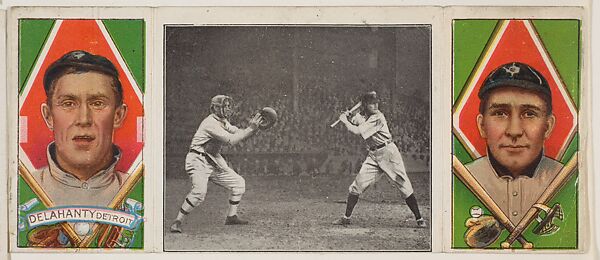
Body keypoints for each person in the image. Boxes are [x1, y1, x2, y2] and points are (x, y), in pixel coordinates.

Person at [465, 62, 563, 224]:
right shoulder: (463, 180)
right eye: (500, 113)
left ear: (547, 126)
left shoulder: (567, 180)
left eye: (529, 114)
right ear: (482, 126)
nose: (514, 131)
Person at [35, 50, 129, 207]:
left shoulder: (138, 189)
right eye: (68, 103)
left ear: (118, 116)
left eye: (97, 103)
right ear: (49, 116)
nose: (84, 119)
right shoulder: (25, 187)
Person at [170, 95, 263, 233]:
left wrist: (254, 128)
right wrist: (250, 129)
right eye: (223, 106)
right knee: (199, 193)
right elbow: (231, 140)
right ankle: (177, 222)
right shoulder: (210, 123)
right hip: (198, 159)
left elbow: (237, 131)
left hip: (212, 159)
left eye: (227, 106)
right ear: (214, 108)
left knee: (239, 183)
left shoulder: (222, 121)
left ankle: (231, 216)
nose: (227, 109)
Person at [332, 91, 426, 227]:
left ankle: (419, 219)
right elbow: (356, 120)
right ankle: (346, 218)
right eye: (371, 103)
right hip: (373, 155)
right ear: (365, 105)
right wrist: (348, 115)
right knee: (356, 186)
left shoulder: (378, 117)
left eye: (376, 102)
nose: (375, 105)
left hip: (388, 153)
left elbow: (357, 131)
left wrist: (344, 120)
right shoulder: (364, 116)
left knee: (403, 185)